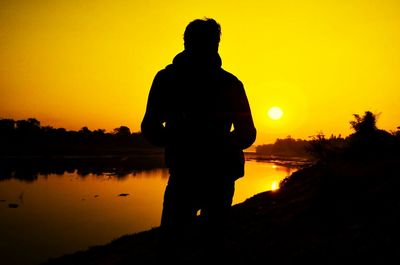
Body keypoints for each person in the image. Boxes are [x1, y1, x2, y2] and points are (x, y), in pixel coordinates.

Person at [141, 18, 256, 261]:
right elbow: (150, 127)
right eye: (197, 42)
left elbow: (247, 133)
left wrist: (219, 144)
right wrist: (182, 140)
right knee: (174, 244)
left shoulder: (230, 83)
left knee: (210, 244)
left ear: (215, 44)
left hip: (219, 175)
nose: (203, 47)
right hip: (187, 173)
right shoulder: (168, 79)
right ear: (186, 42)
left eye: (207, 42)